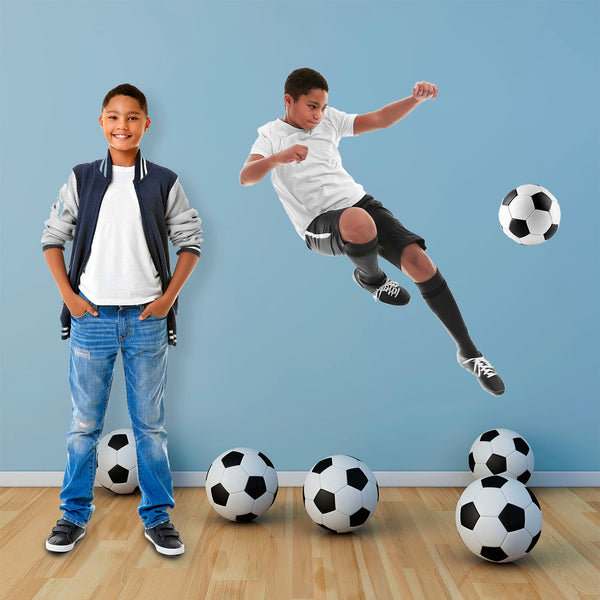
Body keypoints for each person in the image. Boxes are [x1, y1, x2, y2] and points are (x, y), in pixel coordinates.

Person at [240, 67, 504, 396]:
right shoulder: (270, 135)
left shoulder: (330, 121)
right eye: (311, 106)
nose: (318, 115)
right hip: (318, 224)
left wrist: (414, 100)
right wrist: (277, 158)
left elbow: (379, 119)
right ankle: (372, 279)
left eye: (322, 107)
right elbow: (247, 176)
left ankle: (469, 352)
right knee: (357, 222)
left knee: (421, 263)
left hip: (360, 202)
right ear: (288, 101)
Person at [41, 83, 202, 556]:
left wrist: (166, 300)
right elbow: (53, 238)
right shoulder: (82, 178)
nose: (122, 126)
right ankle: (73, 515)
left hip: (147, 318)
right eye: (113, 117)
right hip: (91, 316)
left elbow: (190, 242)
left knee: (150, 426)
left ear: (146, 125)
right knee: (83, 424)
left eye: (132, 118)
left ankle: (157, 518)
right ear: (101, 123)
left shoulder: (165, 181)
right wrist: (69, 296)